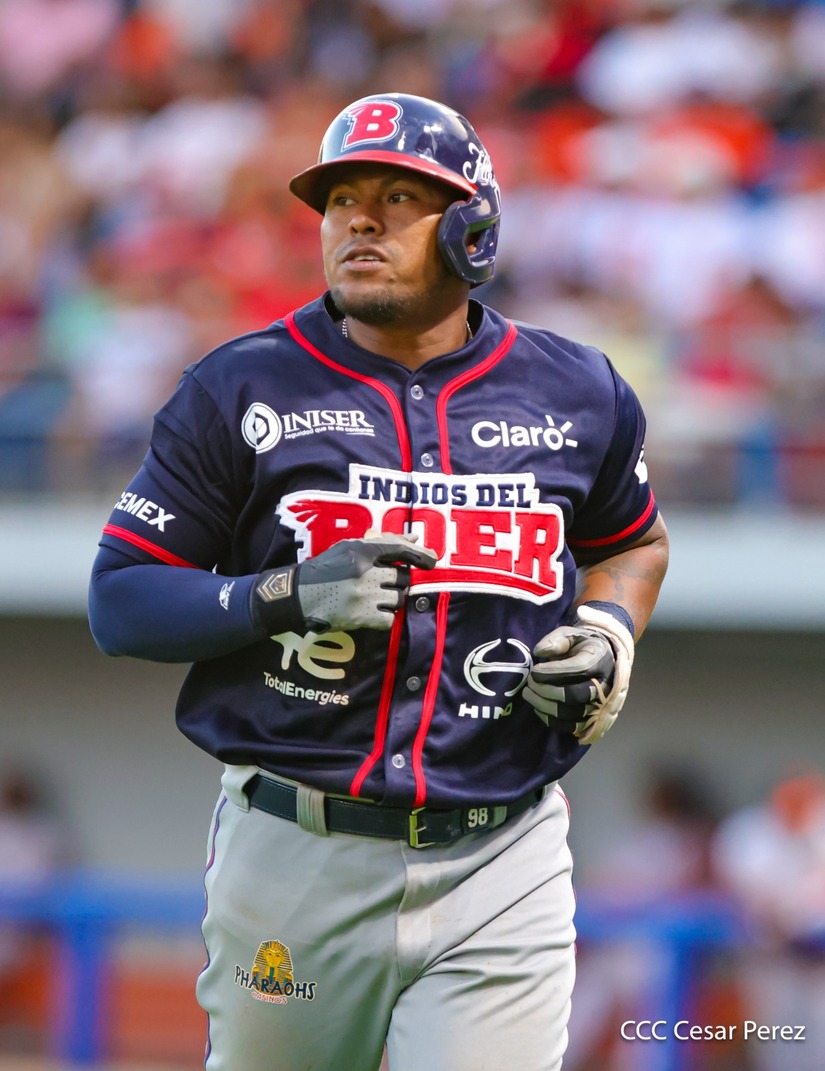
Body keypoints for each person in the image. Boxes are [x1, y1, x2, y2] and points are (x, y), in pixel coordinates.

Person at [88, 93, 669, 1071]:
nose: (359, 221)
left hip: (501, 854)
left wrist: (609, 627)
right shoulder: (241, 385)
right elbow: (121, 599)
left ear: (473, 227)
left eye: (398, 198)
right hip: (295, 852)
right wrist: (284, 594)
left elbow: (634, 543)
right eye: (340, 200)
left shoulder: (578, 389)